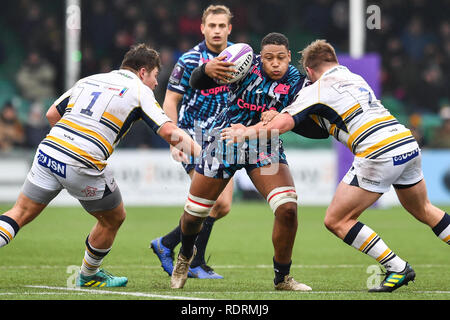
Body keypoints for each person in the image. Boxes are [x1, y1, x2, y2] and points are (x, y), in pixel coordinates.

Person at [221, 39, 450, 293]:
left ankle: (397, 267)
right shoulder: (354, 77)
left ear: (308, 70)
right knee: (425, 209)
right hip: (406, 142)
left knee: (337, 220)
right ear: (335, 61)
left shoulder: (315, 90)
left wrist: (246, 131)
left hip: (378, 150)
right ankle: (398, 267)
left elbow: (280, 126)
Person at [0, 43, 201, 288]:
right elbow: (168, 130)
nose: (156, 83)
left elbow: (52, 114)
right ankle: (88, 275)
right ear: (142, 72)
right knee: (113, 218)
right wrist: (202, 154)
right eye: (155, 76)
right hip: (83, 161)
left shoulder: (90, 80)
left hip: (49, 151)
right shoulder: (139, 90)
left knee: (18, 213)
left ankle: (89, 274)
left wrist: (69, 141)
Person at [170, 32, 312, 291]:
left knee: (288, 209)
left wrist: (280, 114)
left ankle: (282, 278)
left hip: (264, 147)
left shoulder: (298, 82)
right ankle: (184, 256)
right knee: (194, 214)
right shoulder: (244, 62)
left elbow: (306, 121)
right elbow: (197, 82)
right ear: (260, 57)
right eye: (269, 58)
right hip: (225, 142)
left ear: (289, 57)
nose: (275, 63)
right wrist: (205, 69)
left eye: (281, 58)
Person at [150, 4, 235, 280]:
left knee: (222, 206)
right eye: (212, 25)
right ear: (202, 28)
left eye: (222, 25)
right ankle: (194, 260)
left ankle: (167, 243)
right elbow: (170, 100)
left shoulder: (241, 57)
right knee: (213, 201)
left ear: (229, 28)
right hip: (193, 136)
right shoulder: (189, 60)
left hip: (224, 139)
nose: (217, 30)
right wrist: (175, 140)